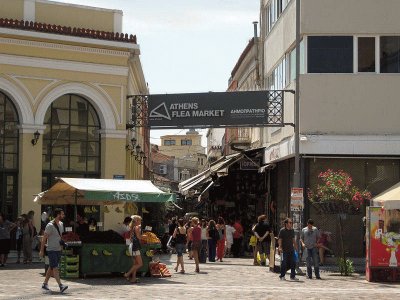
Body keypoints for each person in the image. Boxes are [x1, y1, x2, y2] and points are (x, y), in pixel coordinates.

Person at [39, 208, 68, 293]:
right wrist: (41, 250)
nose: (63, 215)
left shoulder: (61, 224)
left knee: (51, 266)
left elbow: (60, 236)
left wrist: (62, 245)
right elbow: (44, 238)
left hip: (58, 249)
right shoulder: (50, 225)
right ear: (58, 215)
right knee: (55, 267)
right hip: (51, 250)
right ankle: (61, 285)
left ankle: (45, 284)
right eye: (62, 214)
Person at [124, 215, 143, 283]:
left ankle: (133, 278)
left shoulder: (131, 226)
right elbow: (139, 237)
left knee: (135, 264)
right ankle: (127, 274)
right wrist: (144, 236)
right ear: (137, 221)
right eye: (140, 220)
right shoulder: (137, 227)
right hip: (135, 247)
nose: (141, 221)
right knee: (140, 264)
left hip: (131, 246)